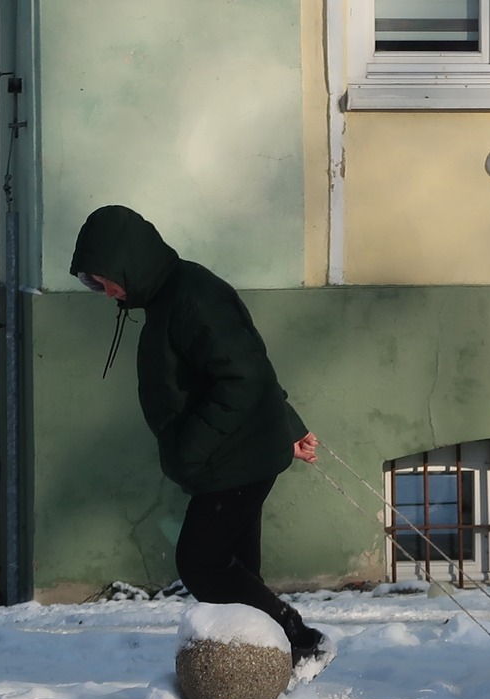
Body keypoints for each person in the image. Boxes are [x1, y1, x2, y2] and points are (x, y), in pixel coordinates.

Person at [69, 205, 328, 667]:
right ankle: (257, 668)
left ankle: (301, 642)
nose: (105, 292)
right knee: (237, 572)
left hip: (234, 458)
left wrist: (191, 449)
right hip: (238, 453)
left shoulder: (191, 298)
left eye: (105, 280)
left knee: (202, 563)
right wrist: (288, 425)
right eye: (94, 283)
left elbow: (244, 376)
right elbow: (245, 363)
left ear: (129, 262)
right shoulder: (173, 295)